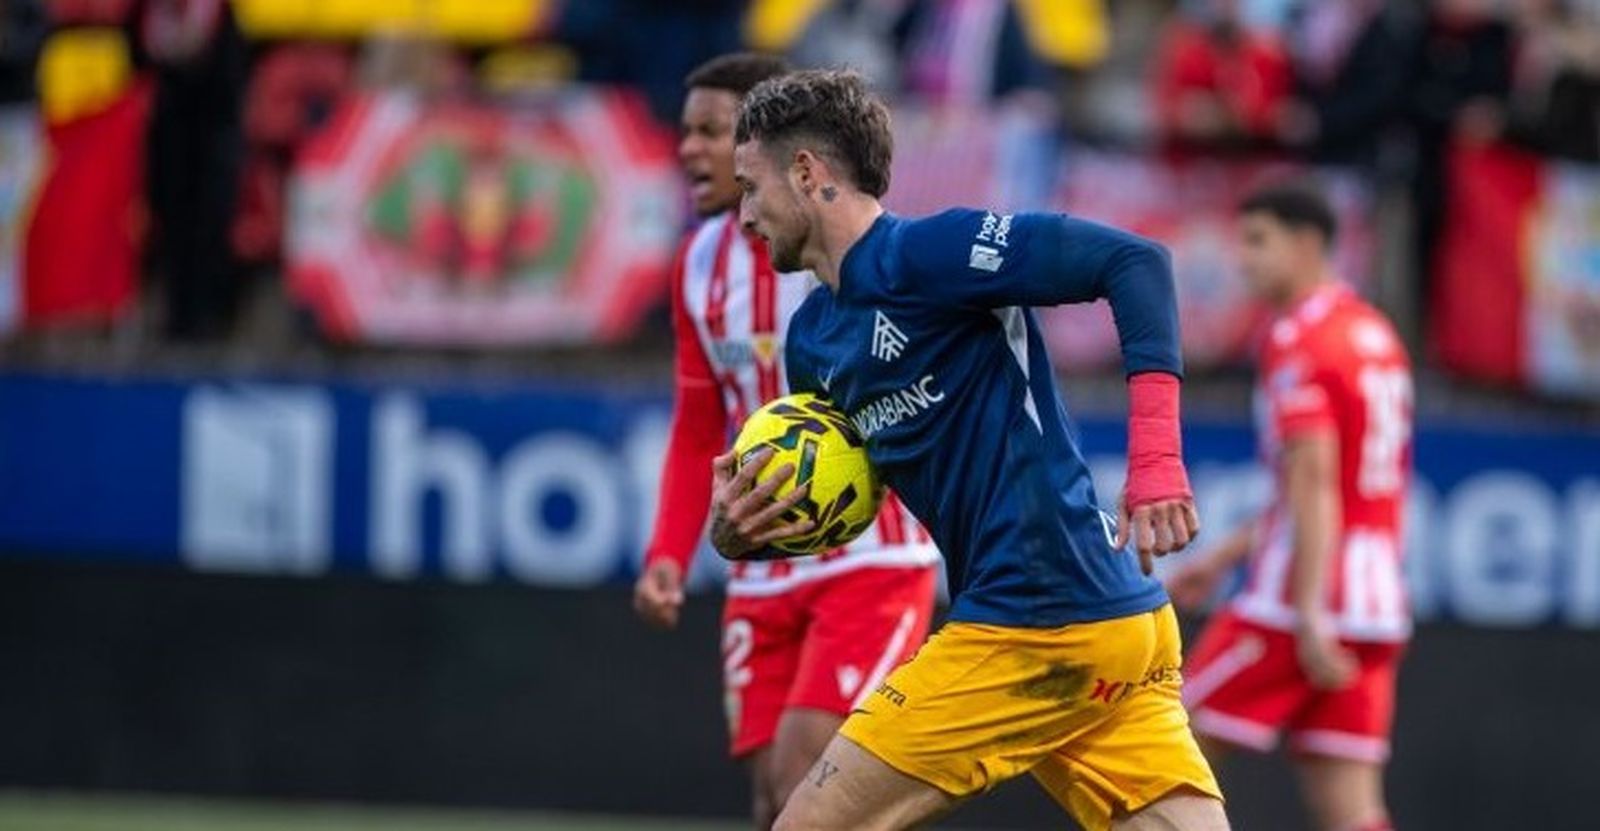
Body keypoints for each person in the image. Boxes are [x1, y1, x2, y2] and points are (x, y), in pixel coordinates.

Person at [716, 69, 1227, 831]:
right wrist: (745, 529)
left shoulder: (932, 253)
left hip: (1033, 618)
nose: (745, 212)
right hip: (1114, 626)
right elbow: (847, 497)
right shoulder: (813, 343)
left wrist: (1156, 460)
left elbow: (1135, 264)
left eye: (751, 187)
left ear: (806, 171)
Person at [632, 54, 940, 830]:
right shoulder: (696, 266)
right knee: (774, 796)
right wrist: (670, 551)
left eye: (710, 131)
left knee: (814, 773)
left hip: (870, 554)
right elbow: (700, 417)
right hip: (763, 563)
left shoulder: (839, 249)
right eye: (686, 132)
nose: (690, 150)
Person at [1166, 184, 1413, 831]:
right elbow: (1332, 483)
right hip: (1373, 604)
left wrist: (1307, 608)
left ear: (1306, 244)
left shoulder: (1300, 339)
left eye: (1257, 241)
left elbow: (1316, 482)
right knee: (1352, 808)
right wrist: (1222, 557)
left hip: (1298, 600)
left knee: (1154, 751)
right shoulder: (1374, 331)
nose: (1243, 258)